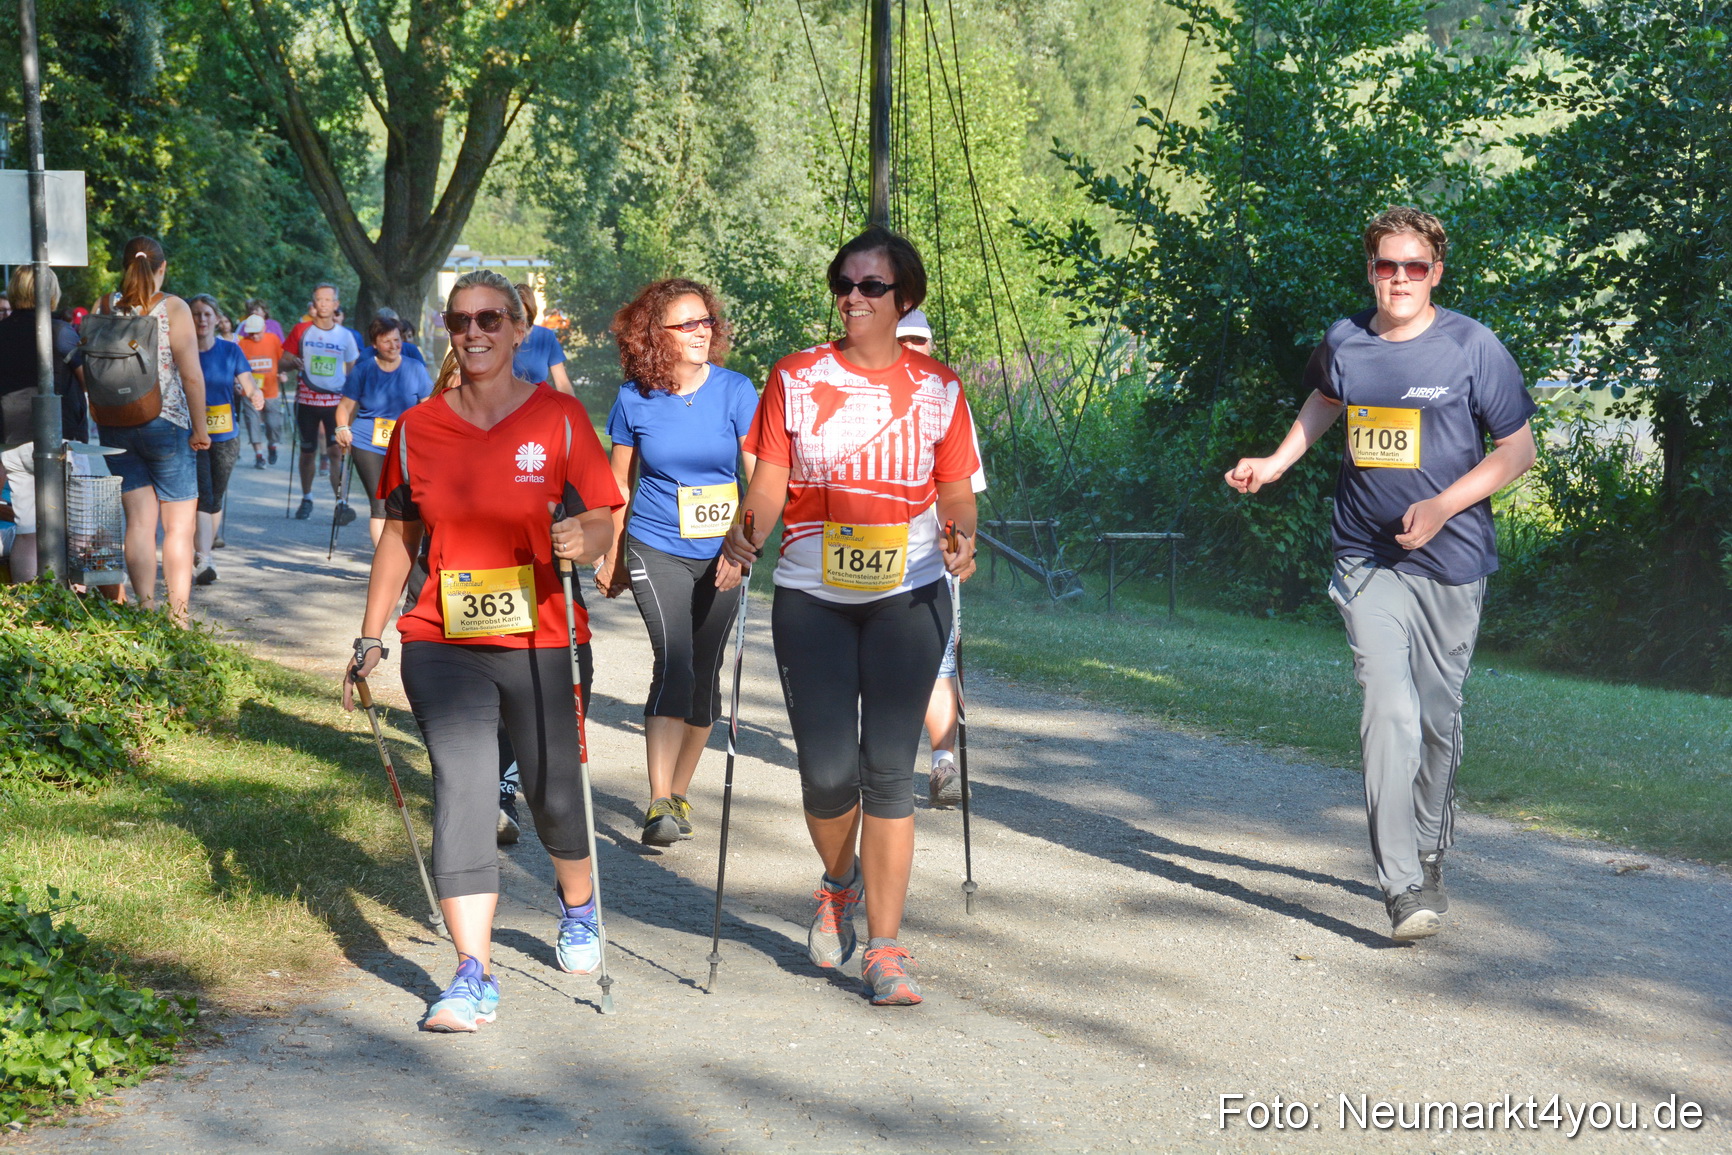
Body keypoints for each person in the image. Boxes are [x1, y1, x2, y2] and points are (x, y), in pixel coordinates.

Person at [1225, 206, 1538, 942]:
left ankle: (1429, 847)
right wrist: (1274, 462)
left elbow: (1517, 452)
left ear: (1437, 273)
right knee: (1388, 711)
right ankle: (1400, 882)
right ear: (1370, 271)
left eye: (1415, 267)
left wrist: (1443, 505)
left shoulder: (1473, 347)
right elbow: (1325, 401)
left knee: (1436, 719)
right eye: (1387, 266)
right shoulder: (1346, 341)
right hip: (1367, 559)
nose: (1400, 279)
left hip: (1454, 562)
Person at [342, 268, 621, 1033]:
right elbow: (399, 537)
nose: (474, 333)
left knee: (553, 793)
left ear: (519, 328)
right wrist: (371, 635)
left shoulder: (560, 418)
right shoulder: (420, 428)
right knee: (464, 788)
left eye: (490, 319)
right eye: (461, 321)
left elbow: (602, 521)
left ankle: (578, 903)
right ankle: (472, 972)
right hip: (445, 638)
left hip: (541, 637)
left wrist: (583, 536)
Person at [720, 227, 981, 1007]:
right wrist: (746, 535)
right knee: (827, 772)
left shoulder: (939, 388)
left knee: (888, 771)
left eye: (872, 286)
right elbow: (769, 484)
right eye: (845, 282)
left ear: (905, 299)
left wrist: (963, 534)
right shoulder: (796, 377)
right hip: (813, 598)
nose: (853, 297)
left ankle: (887, 948)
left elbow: (958, 488)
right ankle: (838, 881)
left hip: (911, 596)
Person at [595, 279, 758, 846]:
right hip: (656, 543)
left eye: (705, 321)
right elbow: (619, 481)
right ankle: (658, 800)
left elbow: (760, 482)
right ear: (653, 336)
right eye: (686, 324)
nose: (700, 332)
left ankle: (680, 793)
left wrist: (744, 547)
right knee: (676, 659)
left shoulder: (737, 390)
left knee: (705, 674)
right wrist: (613, 552)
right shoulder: (633, 397)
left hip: (723, 553)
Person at [95, 237, 211, 623]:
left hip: (114, 423)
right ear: (162, 267)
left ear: (124, 265)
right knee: (179, 527)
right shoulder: (172, 307)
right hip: (167, 421)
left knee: (139, 523)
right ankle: (177, 617)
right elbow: (191, 376)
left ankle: (145, 611)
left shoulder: (104, 305)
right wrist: (200, 429)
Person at [895, 309, 972, 807]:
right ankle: (883, 759)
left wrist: (959, 538)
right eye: (905, 340)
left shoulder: (945, 399)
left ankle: (942, 762)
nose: (914, 348)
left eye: (921, 341)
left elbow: (963, 489)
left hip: (928, 557)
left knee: (941, 661)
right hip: (865, 557)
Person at [0, 266, 91, 583]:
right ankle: (70, 602)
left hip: (11, 441)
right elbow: (87, 379)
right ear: (51, 293)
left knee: (27, 531)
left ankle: (28, 606)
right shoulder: (60, 331)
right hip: (57, 439)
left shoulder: (2, 330)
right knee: (73, 525)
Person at [335, 314, 433, 546]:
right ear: (375, 344)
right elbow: (344, 407)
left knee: (410, 500)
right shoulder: (363, 370)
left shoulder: (415, 368)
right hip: (367, 442)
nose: (394, 346)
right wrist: (342, 428)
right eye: (387, 341)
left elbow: (428, 406)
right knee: (379, 503)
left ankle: (408, 552)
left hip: (406, 443)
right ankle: (383, 560)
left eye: (397, 340)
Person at [188, 295, 262, 585]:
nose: (202, 320)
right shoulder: (182, 350)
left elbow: (248, 382)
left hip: (225, 435)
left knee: (215, 497)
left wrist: (254, 394)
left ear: (217, 319)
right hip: (192, 435)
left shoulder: (231, 351)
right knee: (202, 496)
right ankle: (203, 557)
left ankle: (205, 552)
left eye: (207, 314)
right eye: (196, 314)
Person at [282, 283, 358, 521]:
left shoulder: (346, 336)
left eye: (328, 300)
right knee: (307, 453)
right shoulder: (301, 330)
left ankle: (341, 503)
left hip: (335, 403)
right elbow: (282, 362)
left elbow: (352, 375)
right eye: (319, 300)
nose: (323, 304)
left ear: (336, 304)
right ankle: (307, 498)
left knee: (336, 453)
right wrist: (292, 363)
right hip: (306, 402)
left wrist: (351, 407)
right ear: (313, 304)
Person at [237, 314, 285, 468]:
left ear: (264, 328)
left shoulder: (273, 340)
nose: (255, 336)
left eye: (257, 332)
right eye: (251, 333)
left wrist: (283, 373)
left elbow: (281, 360)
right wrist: (237, 383)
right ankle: (259, 455)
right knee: (252, 422)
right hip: (250, 391)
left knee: (273, 424)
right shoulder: (242, 344)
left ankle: (272, 445)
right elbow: (237, 367)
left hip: (271, 390)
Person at [511, 284, 575, 395]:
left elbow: (562, 382)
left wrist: (574, 411)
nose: (518, 319)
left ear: (529, 310)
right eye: (514, 314)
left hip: (538, 406)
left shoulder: (545, 337)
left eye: (521, 313)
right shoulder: (499, 337)